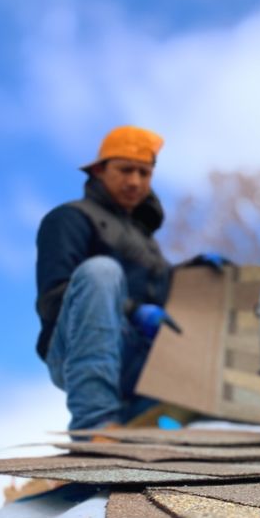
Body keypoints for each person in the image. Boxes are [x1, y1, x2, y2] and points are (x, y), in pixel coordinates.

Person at [35, 126, 224, 430]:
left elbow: (162, 296)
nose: (135, 181)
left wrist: (193, 272)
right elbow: (53, 299)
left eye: (144, 173)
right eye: (125, 170)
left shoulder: (144, 240)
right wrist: (132, 311)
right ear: (99, 170)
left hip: (140, 361)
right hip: (78, 351)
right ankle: (94, 424)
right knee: (102, 272)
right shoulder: (69, 219)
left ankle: (151, 427)